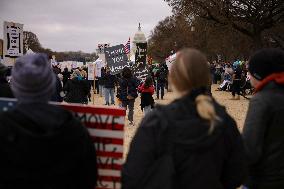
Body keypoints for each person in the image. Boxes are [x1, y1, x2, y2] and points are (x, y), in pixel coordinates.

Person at [122, 49, 247, 189]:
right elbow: (237, 174)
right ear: (207, 78)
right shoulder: (224, 121)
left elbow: (132, 176)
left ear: (173, 79)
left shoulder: (156, 122)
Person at [0, 54, 97, 188]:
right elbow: (88, 177)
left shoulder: (3, 126)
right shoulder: (74, 127)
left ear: (15, 87)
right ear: (51, 86)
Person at [242, 48, 284, 189]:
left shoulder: (262, 100)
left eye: (249, 71)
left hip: (265, 180)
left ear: (258, 74)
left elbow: (249, 149)